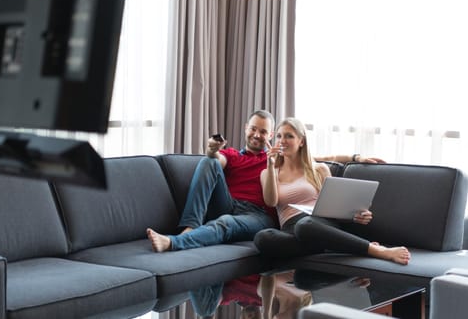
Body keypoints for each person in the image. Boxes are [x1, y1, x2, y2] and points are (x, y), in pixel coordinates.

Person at [147, 110, 384, 253]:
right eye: (253, 129)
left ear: (270, 136)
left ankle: (174, 243)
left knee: (226, 223)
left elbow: (324, 158)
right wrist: (211, 151)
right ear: (246, 129)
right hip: (228, 203)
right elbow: (214, 162)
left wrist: (356, 157)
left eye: (264, 132)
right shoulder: (231, 156)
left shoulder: (278, 159)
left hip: (257, 214)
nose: (257, 135)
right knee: (208, 162)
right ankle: (190, 226)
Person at [253, 117, 411, 265]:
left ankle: (376, 250)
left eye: (289, 136)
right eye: (279, 136)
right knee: (262, 238)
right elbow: (271, 201)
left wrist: (354, 215)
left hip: (318, 223)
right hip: (290, 230)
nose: (282, 141)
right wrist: (271, 165)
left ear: (301, 141)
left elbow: (333, 207)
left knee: (305, 225)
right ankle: (334, 246)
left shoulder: (319, 169)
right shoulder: (268, 172)